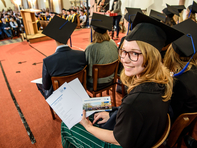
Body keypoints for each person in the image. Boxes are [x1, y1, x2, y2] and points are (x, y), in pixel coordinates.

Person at [61, 12, 184, 148]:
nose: (124, 59)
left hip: (122, 142)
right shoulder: (163, 81)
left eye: (134, 53)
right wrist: (112, 114)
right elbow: (132, 113)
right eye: (124, 51)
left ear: (152, 58)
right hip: (136, 129)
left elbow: (117, 139)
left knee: (67, 125)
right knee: (94, 105)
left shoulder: (135, 102)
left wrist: (88, 127)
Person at [37, 16, 87, 99]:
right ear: (68, 37)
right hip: (79, 91)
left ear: (54, 38)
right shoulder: (81, 54)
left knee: (39, 84)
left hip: (60, 97)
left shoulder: (48, 61)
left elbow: (46, 86)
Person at [163, 19, 197, 122]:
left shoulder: (178, 82)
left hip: (176, 123)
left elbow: (170, 111)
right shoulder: (193, 70)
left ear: (171, 52)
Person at [85, 13, 118, 89]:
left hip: (97, 83)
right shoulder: (113, 43)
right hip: (111, 79)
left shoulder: (91, 48)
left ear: (94, 32)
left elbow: (90, 72)